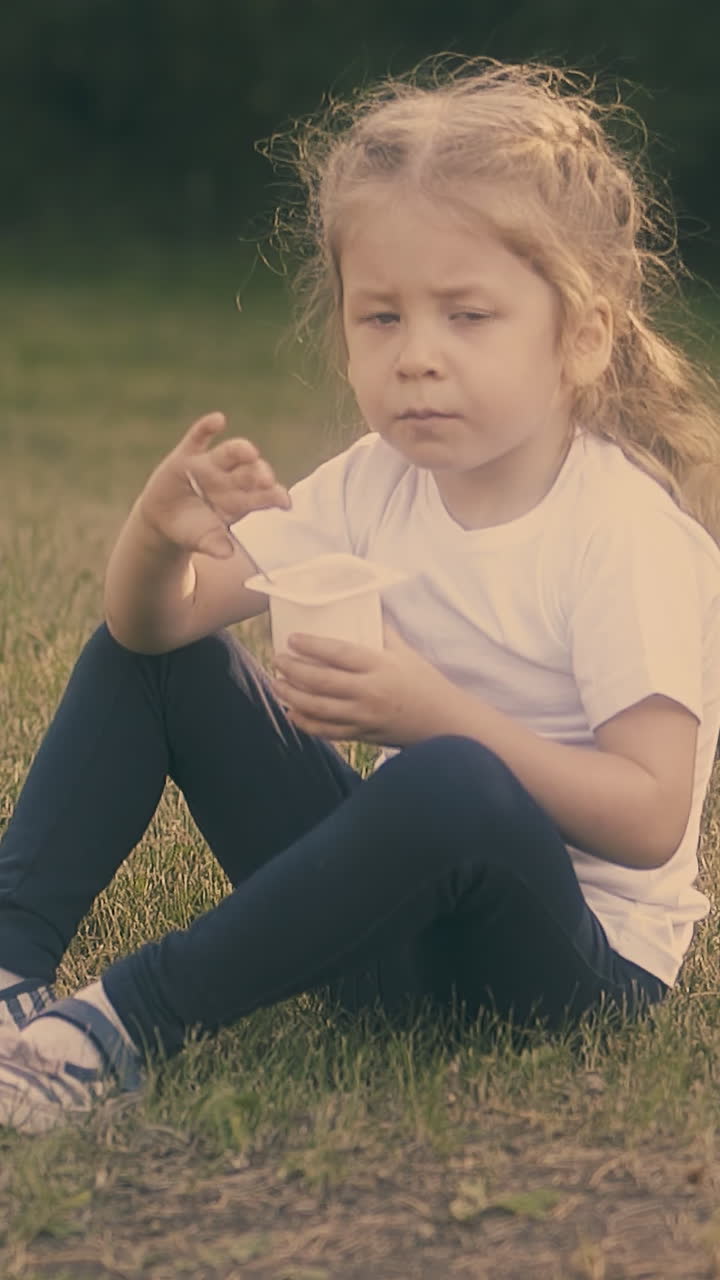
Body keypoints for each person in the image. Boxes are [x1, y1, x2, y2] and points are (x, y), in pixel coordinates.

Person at [2, 57, 720, 1135]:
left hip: (562, 972)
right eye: (381, 317)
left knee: (456, 779)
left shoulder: (621, 533)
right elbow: (156, 626)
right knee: (148, 659)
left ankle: (119, 1025)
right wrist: (156, 536)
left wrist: (434, 716)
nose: (417, 357)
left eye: (467, 316)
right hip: (378, 925)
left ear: (581, 335)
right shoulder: (374, 482)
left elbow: (652, 815)